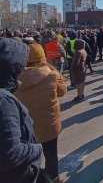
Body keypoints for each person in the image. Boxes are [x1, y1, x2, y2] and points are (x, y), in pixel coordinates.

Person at [14, 42, 67, 183]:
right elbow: (62, 91)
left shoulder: (13, 77)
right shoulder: (51, 74)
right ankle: (54, 180)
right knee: (51, 156)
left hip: (24, 127)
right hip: (48, 123)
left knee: (28, 160)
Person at [0, 38, 43, 183]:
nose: (22, 70)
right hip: (17, 176)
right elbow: (11, 153)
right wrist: (37, 149)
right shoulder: (4, 101)